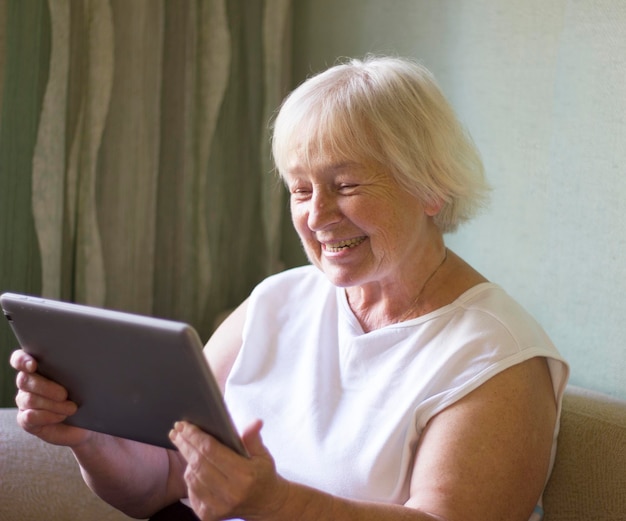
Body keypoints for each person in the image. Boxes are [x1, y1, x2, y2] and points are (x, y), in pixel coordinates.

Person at [11, 56, 568, 521]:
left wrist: (277, 503)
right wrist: (90, 437)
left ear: (431, 187)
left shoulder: (497, 357)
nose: (318, 215)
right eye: (301, 190)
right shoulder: (275, 302)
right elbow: (167, 477)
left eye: (346, 185)